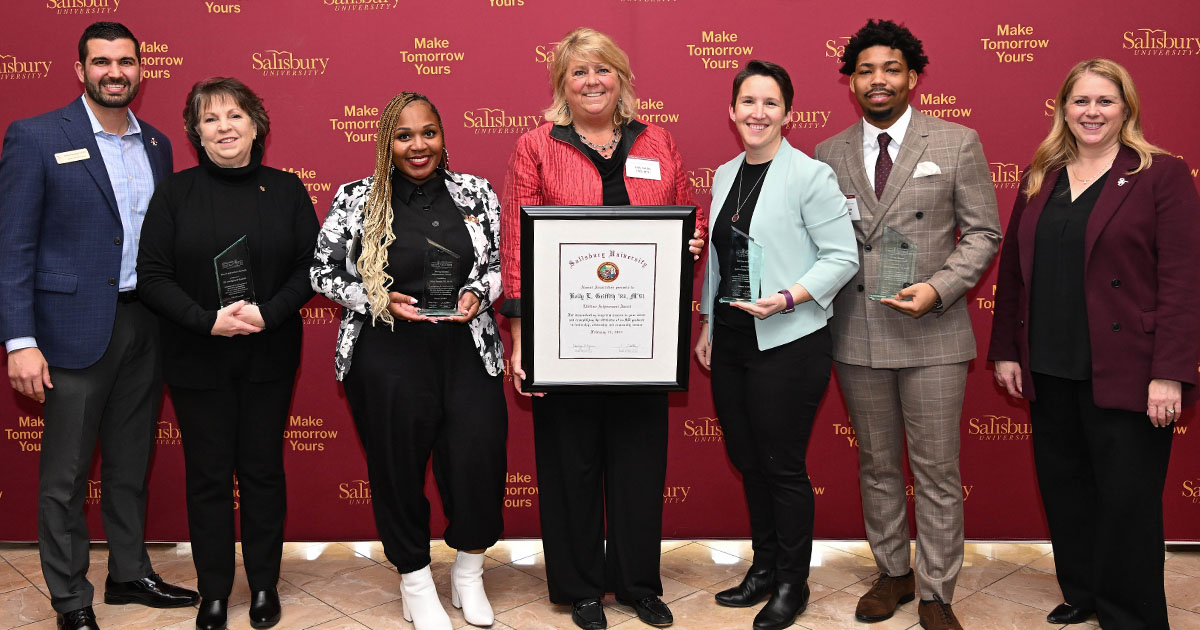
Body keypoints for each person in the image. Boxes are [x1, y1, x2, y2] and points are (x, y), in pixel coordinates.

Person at [499, 27, 705, 630]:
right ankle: (581, 588)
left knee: (641, 465)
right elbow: (517, 243)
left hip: (640, 340)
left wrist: (689, 242)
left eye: (603, 70)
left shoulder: (658, 142)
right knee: (572, 466)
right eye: (578, 72)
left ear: (622, 79)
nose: (592, 82)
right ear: (562, 83)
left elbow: (684, 219)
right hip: (566, 339)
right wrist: (522, 340)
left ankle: (638, 583)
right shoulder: (536, 145)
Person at [0, 21, 199, 630]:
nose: (115, 71)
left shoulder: (160, 144)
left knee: (129, 463)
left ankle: (128, 573)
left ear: (142, 69)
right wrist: (20, 341)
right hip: (67, 330)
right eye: (102, 61)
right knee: (63, 476)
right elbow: (13, 246)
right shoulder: (35, 138)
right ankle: (69, 598)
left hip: (146, 324)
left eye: (126, 61)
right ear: (79, 69)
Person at [988, 58, 1200, 630]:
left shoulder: (1162, 174)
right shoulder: (1040, 176)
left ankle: (1130, 615)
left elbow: (1183, 281)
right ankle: (1083, 590)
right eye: (1080, 101)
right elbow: (1013, 273)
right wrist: (1007, 349)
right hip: (1051, 365)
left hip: (1131, 370)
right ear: (1063, 109)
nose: (1092, 112)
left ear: (1126, 108)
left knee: (1128, 505)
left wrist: (1170, 372)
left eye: (1105, 101)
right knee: (1066, 491)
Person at [812, 19, 1001, 630]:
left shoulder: (956, 142)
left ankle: (937, 590)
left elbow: (983, 232)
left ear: (912, 77)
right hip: (857, 332)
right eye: (865, 70)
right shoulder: (827, 153)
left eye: (890, 68)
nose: (878, 80)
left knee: (937, 467)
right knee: (876, 463)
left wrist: (940, 288)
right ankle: (893, 571)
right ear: (851, 82)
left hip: (934, 334)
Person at [311, 91, 506, 630]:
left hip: (467, 351)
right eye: (404, 135)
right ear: (386, 142)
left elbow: (501, 264)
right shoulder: (358, 197)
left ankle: (469, 573)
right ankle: (415, 580)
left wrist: (478, 293)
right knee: (396, 471)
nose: (418, 145)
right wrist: (377, 297)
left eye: (428, 133)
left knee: (477, 463)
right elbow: (323, 273)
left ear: (444, 137)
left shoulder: (477, 192)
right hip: (386, 352)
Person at [135, 77, 318, 630]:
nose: (224, 128)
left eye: (235, 116)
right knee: (208, 476)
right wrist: (205, 321)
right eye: (210, 119)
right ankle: (214, 590)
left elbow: (310, 269)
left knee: (262, 471)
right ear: (195, 132)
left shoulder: (287, 190)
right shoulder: (174, 193)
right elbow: (152, 276)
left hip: (269, 354)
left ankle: (264, 585)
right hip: (196, 356)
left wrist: (269, 312)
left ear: (256, 124)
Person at [695, 60, 857, 630]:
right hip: (733, 339)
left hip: (789, 339)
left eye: (770, 103)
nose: (757, 113)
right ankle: (763, 569)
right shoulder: (722, 175)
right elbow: (719, 259)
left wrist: (788, 298)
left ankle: (793, 582)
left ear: (788, 113)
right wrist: (710, 328)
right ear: (732, 110)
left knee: (781, 465)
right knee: (748, 460)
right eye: (747, 102)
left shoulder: (810, 176)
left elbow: (843, 257)